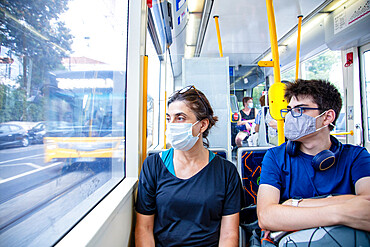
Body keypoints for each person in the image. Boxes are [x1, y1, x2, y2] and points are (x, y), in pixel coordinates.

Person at [257, 79, 370, 240]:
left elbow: (368, 206)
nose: (290, 116)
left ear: (327, 117)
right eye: (289, 110)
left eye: (300, 110)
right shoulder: (276, 157)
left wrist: (293, 205)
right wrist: (345, 211)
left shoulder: (356, 157)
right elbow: (266, 216)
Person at [135, 85, 243, 247]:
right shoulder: (153, 166)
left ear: (203, 125)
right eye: (168, 118)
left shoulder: (226, 172)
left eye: (180, 118)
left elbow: (229, 234)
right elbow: (144, 228)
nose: (171, 125)